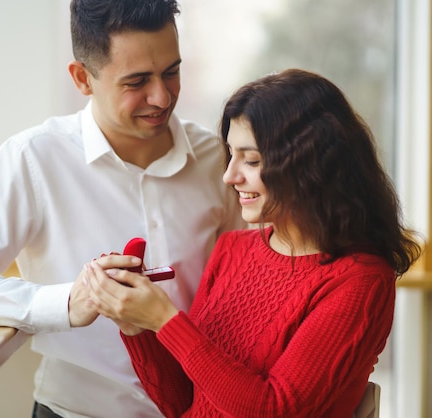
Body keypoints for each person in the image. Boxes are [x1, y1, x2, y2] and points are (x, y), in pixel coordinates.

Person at [0, 1, 244, 417]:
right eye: (137, 81)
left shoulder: (219, 159)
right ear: (81, 78)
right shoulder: (33, 158)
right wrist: (66, 302)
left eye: (171, 71)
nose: (162, 96)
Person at [85, 68, 424, 417]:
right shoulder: (233, 248)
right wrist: (135, 325)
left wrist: (165, 320)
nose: (230, 176)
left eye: (251, 160)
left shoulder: (360, 281)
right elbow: (185, 402)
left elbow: (274, 410)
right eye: (231, 155)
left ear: (311, 163)